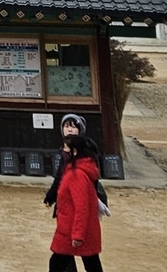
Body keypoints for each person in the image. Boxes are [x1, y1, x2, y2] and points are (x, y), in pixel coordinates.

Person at [44, 114, 104, 272]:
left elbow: (82, 206)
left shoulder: (77, 174)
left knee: (58, 264)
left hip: (72, 230)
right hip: (74, 227)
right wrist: (51, 196)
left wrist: (77, 234)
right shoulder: (76, 168)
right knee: (89, 263)